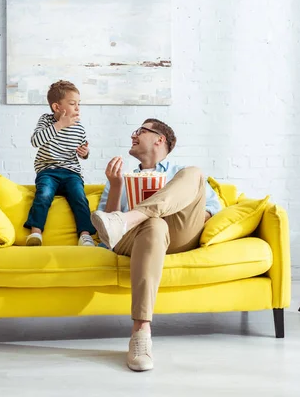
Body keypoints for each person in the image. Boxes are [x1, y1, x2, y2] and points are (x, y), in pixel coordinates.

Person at [91, 118, 222, 371]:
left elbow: (212, 210)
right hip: (137, 239)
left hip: (180, 233)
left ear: (159, 139)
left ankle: (131, 217)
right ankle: (141, 333)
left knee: (194, 173)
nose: (133, 135)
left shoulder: (181, 173)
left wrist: (167, 209)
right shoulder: (120, 177)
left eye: (139, 131)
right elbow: (105, 227)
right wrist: (117, 186)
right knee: (154, 225)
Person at [24, 80, 96, 247]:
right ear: (57, 107)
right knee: (43, 194)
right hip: (48, 171)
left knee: (79, 196)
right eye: (72, 103)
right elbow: (35, 141)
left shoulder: (79, 127)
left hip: (71, 172)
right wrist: (59, 125)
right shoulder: (46, 121)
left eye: (79, 104)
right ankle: (36, 232)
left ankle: (85, 235)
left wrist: (85, 153)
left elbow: (82, 150)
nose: (77, 108)